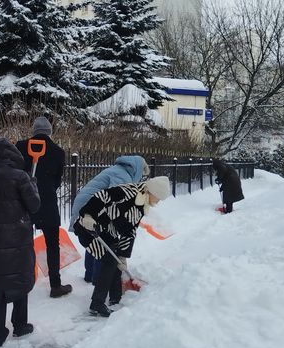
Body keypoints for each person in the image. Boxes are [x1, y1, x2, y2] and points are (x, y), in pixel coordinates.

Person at [73, 176, 171, 317]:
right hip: (89, 228)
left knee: (116, 261)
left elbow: (130, 231)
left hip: (108, 233)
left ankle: (115, 298)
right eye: (158, 198)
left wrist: (123, 255)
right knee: (109, 261)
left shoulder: (142, 205)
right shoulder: (128, 192)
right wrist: (88, 215)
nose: (158, 201)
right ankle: (97, 304)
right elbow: (101, 196)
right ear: (152, 192)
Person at [0, 138, 41, 348]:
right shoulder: (21, 177)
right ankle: (20, 324)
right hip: (17, 238)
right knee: (19, 279)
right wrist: (33, 185)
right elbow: (34, 205)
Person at [16, 117, 72, 298]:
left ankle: (21, 282)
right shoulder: (58, 152)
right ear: (49, 132)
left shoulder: (20, 147)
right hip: (47, 203)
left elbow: (15, 173)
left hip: (24, 202)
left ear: (34, 131)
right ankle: (55, 285)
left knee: (23, 243)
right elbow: (57, 180)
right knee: (52, 245)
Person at [69, 156, 148, 284]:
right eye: (141, 175)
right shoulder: (123, 176)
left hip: (86, 203)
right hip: (91, 207)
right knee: (102, 242)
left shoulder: (118, 170)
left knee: (92, 239)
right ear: (137, 170)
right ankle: (98, 279)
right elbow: (115, 199)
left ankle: (90, 275)